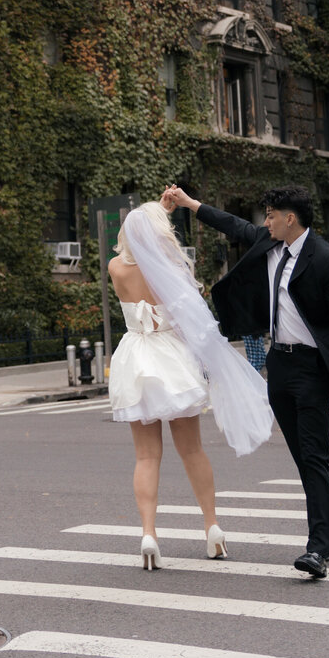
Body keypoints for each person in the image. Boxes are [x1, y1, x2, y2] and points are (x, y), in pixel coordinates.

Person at [164, 183, 329, 580]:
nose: (265, 221)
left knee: (315, 455)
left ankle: (317, 548)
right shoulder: (269, 244)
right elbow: (232, 225)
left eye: (271, 215)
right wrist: (189, 204)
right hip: (280, 367)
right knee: (305, 457)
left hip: (315, 371)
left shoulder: (327, 260)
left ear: (290, 219)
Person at [108, 197, 274, 571]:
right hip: (170, 358)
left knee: (146, 456)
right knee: (193, 451)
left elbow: (138, 235)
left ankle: (149, 533)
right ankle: (212, 526)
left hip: (135, 358)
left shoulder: (115, 267)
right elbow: (190, 320)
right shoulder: (170, 268)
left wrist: (152, 215)